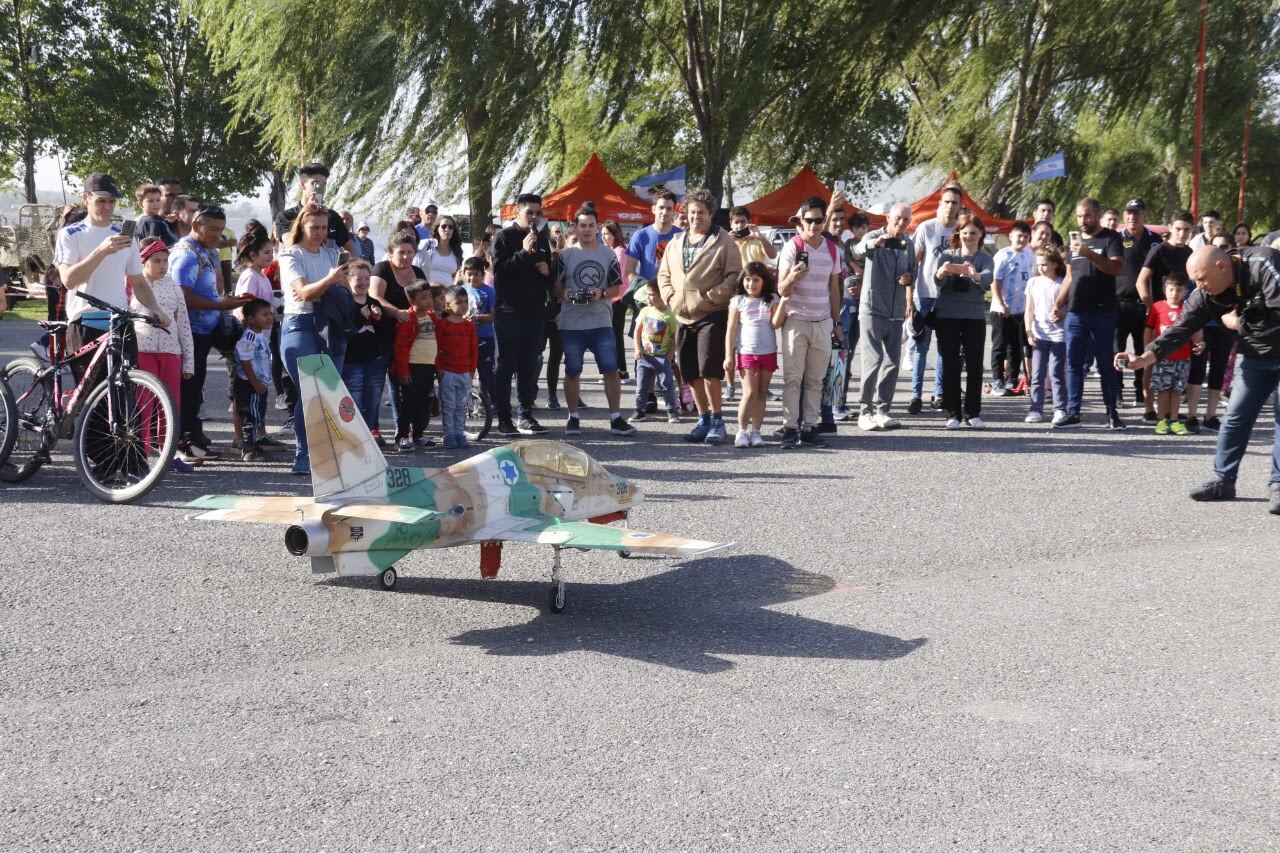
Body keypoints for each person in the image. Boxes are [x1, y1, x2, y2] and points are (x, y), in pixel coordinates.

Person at [1116, 245, 1280, 513]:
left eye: (1202, 279)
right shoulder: (1205, 293)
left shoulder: (1263, 263)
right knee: (1236, 416)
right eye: (1196, 281)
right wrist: (1142, 359)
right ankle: (1223, 480)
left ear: (1221, 266)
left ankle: (1278, 485)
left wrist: (1237, 323)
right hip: (1255, 355)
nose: (1200, 286)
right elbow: (1180, 330)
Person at [657, 188, 741, 445]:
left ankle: (718, 420)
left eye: (701, 213)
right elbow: (663, 275)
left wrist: (710, 298)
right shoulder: (675, 242)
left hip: (711, 314)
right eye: (692, 213)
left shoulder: (723, 240)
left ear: (711, 214)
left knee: (709, 370)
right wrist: (671, 298)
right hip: (683, 316)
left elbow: (734, 276)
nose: (696, 218)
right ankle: (703, 419)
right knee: (690, 371)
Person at [55, 173, 165, 360]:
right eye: (101, 201)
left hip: (119, 322)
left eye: (112, 201)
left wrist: (156, 309)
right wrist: (102, 251)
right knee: (92, 389)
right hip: (85, 322)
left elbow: (138, 282)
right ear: (86, 198)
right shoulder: (70, 234)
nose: (107, 207)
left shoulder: (125, 237)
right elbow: (69, 280)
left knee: (127, 386)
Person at [278, 203, 349, 474]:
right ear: (301, 227)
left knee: (329, 393)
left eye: (323, 227)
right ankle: (303, 454)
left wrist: (327, 284)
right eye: (314, 227)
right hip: (299, 325)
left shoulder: (332, 254)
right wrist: (329, 281)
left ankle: (328, 453)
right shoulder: (290, 256)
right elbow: (304, 293)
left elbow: (341, 287)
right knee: (311, 392)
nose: (319, 233)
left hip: (330, 325)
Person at [170, 204, 243, 457]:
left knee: (195, 386)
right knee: (188, 388)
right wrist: (220, 304)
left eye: (222, 230)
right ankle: (183, 444)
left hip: (202, 331)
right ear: (196, 226)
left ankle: (192, 436)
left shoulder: (202, 250)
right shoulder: (187, 255)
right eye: (213, 229)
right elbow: (181, 297)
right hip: (189, 332)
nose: (218, 236)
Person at [557, 203, 634, 437]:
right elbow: (555, 287)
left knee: (611, 370)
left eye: (591, 225)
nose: (587, 230)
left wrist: (601, 293)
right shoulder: (565, 255)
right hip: (572, 323)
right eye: (582, 226)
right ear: (576, 227)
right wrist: (566, 294)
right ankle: (573, 417)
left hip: (601, 321)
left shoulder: (607, 254)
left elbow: (615, 288)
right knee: (572, 371)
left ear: (597, 226)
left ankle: (616, 418)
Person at [1052, 197, 1126, 430]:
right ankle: (1073, 413)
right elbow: (1070, 275)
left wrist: (1090, 253)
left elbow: (1115, 269)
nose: (1083, 220)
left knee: (1106, 364)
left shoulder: (1111, 238)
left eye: (1087, 216)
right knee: (1073, 363)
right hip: (1076, 312)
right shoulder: (1074, 240)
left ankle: (1112, 413)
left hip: (1103, 312)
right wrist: (1058, 303)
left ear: (1097, 214)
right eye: (1079, 216)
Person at [775, 196, 842, 448]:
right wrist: (792, 276)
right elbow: (781, 288)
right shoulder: (792, 247)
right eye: (808, 220)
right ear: (800, 221)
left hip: (823, 320)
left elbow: (834, 288)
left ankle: (810, 427)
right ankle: (790, 427)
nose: (813, 225)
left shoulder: (833, 249)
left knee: (816, 379)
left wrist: (836, 322)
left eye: (818, 220)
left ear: (824, 221)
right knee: (793, 378)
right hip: (795, 320)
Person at [131, 238, 196, 471]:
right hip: (143, 351)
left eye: (165, 261)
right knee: (144, 405)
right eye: (156, 261)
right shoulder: (132, 285)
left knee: (169, 405)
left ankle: (168, 455)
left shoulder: (174, 287)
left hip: (171, 353)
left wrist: (189, 361)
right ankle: (142, 455)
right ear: (143, 261)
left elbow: (184, 324)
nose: (162, 265)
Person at [493, 193, 554, 435]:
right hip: (509, 313)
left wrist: (547, 271)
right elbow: (500, 272)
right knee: (505, 367)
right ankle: (504, 419)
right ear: (517, 213)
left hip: (534, 313)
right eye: (529, 212)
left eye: (538, 213)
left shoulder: (543, 239)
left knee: (529, 367)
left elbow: (548, 277)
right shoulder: (504, 237)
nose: (534, 217)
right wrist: (522, 252)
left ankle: (525, 416)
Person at [852, 202, 916, 430]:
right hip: (872, 308)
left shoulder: (907, 243)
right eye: (898, 218)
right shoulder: (874, 236)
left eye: (906, 219)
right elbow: (857, 250)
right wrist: (873, 243)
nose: (901, 223)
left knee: (892, 362)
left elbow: (913, 270)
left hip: (896, 311)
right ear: (888, 217)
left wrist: (909, 278)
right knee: (873, 360)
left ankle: (882, 410)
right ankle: (864, 411)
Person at [932, 213, 994, 429]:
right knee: (950, 364)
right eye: (965, 232)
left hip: (974, 316)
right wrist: (942, 271)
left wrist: (974, 274)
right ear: (958, 233)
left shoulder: (985, 258)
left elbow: (987, 278)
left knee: (975, 365)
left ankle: (973, 412)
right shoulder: (947, 255)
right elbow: (936, 281)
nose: (969, 237)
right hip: (946, 315)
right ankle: (952, 413)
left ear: (981, 235)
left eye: (973, 233)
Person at [1136, 211, 1195, 423]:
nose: (1182, 233)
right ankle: (1149, 407)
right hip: (1158, 314)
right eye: (1178, 229)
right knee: (1151, 360)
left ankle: (1171, 410)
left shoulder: (1190, 252)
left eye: (1186, 230)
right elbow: (1141, 280)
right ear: (1170, 227)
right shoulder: (1159, 249)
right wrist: (1150, 306)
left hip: (1181, 315)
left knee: (1177, 364)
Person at [908, 185, 960, 413]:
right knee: (920, 347)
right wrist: (909, 299)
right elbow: (913, 265)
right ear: (940, 203)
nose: (950, 206)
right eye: (946, 202)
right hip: (924, 295)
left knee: (945, 349)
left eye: (954, 202)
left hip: (948, 298)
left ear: (960, 206)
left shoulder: (961, 231)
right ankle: (915, 394)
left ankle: (940, 393)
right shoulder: (926, 228)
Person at [1114, 198, 1163, 410]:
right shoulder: (1116, 239)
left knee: (1143, 350)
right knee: (1118, 349)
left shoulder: (1156, 240)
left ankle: (1140, 392)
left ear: (1145, 215)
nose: (1132, 217)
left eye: (1137, 213)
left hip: (1146, 305)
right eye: (1129, 213)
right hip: (1120, 303)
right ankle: (1117, 391)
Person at [724, 261, 779, 447]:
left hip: (768, 351)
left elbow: (776, 323)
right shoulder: (738, 300)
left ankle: (756, 431)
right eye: (747, 280)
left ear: (764, 281)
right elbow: (731, 329)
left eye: (756, 280)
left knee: (762, 393)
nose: (751, 284)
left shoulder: (772, 298)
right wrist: (729, 356)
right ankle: (741, 431)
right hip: (746, 351)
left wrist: (784, 302)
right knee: (749, 392)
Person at [1144, 272, 1201, 435]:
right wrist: (1148, 349)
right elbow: (1148, 329)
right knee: (1163, 389)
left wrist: (1199, 343)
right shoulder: (1157, 307)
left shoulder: (1188, 308)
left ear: (1185, 292)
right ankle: (1162, 420)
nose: (1174, 294)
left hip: (1183, 357)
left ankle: (1174, 420)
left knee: (1177, 390)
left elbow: (1196, 331)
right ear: (1164, 290)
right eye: (1171, 290)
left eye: (1179, 290)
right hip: (1162, 356)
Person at [391, 281, 441, 450]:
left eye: (429, 297)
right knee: (409, 404)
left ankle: (419, 434)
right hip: (412, 367)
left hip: (428, 367)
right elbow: (400, 347)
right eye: (423, 298)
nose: (428, 301)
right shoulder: (408, 319)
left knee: (424, 404)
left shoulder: (432, 317)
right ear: (412, 301)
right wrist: (404, 372)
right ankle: (402, 436)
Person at [340, 260, 387, 441]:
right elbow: (344, 331)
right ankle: (352, 438)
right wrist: (361, 318)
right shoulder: (345, 302)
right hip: (352, 360)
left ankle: (368, 437)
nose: (363, 283)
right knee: (353, 401)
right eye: (358, 279)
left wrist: (378, 318)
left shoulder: (374, 302)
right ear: (349, 279)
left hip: (374, 360)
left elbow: (383, 333)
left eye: (367, 279)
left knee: (373, 401)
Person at [1023, 247, 1068, 424]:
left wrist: (1062, 314)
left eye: (1045, 264)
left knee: (1056, 373)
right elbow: (1029, 309)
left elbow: (1068, 307)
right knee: (1037, 373)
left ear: (1055, 264)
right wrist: (1028, 330)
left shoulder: (1062, 283)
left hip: (1059, 335)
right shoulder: (1033, 282)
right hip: (1039, 334)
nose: (1041, 268)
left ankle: (1060, 409)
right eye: (1039, 264)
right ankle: (1036, 409)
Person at [833, 211, 870, 421]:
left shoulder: (867, 244)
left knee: (848, 357)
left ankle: (841, 402)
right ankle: (835, 405)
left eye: (841, 219)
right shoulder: (837, 245)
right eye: (834, 220)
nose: (838, 224)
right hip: (843, 307)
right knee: (841, 357)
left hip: (859, 305)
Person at [990, 221, 1034, 396]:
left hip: (1021, 309)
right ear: (1011, 236)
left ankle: (1011, 378)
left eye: (1025, 236)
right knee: (1000, 345)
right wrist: (1001, 303)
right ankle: (997, 380)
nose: (1022, 239)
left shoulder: (1030, 255)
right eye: (1019, 236)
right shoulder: (1003, 255)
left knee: (1016, 346)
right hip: (1002, 309)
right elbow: (995, 281)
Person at [273, 163, 355, 255]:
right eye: (315, 184)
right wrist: (306, 212)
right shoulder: (285, 216)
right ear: (303, 184)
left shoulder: (333, 217)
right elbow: (290, 244)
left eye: (323, 184)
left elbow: (350, 250)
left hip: (328, 268)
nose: (320, 188)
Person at [433, 286, 479, 449]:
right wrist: (439, 371)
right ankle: (449, 435)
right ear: (447, 305)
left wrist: (471, 370)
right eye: (459, 302)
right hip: (447, 372)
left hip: (464, 372)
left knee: (461, 406)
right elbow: (436, 348)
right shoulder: (442, 325)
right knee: (449, 405)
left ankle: (460, 433)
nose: (463, 305)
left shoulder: (469, 326)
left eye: (466, 302)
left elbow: (474, 350)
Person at [233, 299, 275, 462]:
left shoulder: (261, 335)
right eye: (264, 314)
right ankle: (248, 449)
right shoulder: (249, 337)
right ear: (251, 319)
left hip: (259, 384)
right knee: (250, 416)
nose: (269, 317)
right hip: (249, 385)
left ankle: (253, 444)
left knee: (257, 415)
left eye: (270, 314)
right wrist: (256, 383)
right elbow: (245, 361)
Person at [633, 280, 680, 423]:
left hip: (662, 357)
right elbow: (637, 331)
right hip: (644, 357)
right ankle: (639, 410)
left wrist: (669, 356)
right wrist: (637, 349)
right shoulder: (645, 311)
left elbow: (673, 337)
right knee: (641, 386)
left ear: (661, 296)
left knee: (667, 385)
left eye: (651, 295)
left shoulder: (669, 315)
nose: (648, 298)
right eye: (647, 295)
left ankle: (672, 410)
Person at [459, 256, 496, 407]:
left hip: (485, 336)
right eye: (469, 274)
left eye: (476, 274)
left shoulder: (489, 291)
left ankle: (485, 403)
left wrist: (479, 318)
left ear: (483, 275)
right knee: (467, 370)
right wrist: (462, 317)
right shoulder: (461, 291)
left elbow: (494, 315)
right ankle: (466, 401)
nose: (472, 277)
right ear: (464, 274)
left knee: (486, 372)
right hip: (464, 337)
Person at [600, 220, 632, 383]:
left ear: (615, 235)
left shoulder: (620, 251)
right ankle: (614, 370)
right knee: (610, 335)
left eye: (607, 234)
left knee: (615, 335)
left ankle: (622, 371)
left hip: (618, 298)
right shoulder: (610, 250)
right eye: (603, 233)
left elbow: (615, 277)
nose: (604, 237)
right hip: (611, 298)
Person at [417, 214, 463, 285]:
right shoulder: (430, 245)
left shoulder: (456, 250)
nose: (447, 229)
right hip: (428, 291)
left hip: (448, 293)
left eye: (450, 227)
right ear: (437, 228)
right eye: (443, 226)